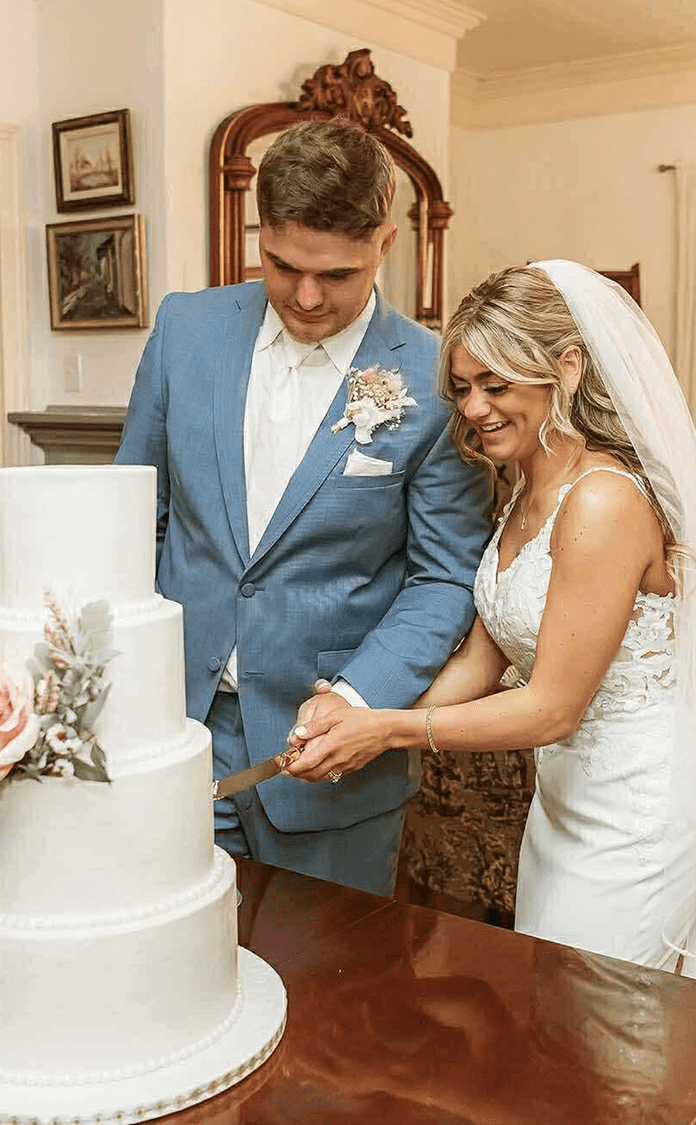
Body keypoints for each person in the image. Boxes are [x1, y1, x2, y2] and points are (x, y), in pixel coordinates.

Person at [288, 260, 696, 997]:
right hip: (565, 804)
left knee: (602, 1024)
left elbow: (553, 706)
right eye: (462, 389)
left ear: (568, 369)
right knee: (563, 1016)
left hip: (641, 812)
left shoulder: (602, 501)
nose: (475, 408)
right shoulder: (526, 489)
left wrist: (391, 732)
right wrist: (355, 714)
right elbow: (483, 661)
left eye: (497, 385)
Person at [114, 117, 491, 896]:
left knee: (327, 996)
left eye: (338, 275)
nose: (307, 297)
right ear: (260, 230)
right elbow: (133, 516)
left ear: (386, 243)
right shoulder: (186, 329)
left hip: (333, 756)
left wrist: (357, 703)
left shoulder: (434, 374)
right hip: (172, 730)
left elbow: (446, 577)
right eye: (283, 266)